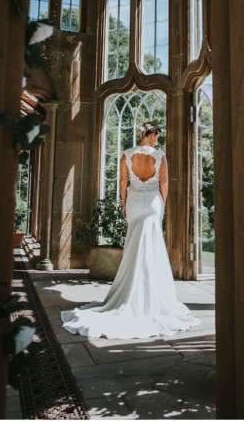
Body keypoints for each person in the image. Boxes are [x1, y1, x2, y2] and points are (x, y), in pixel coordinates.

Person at [61, 121, 200, 339]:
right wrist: (162, 204)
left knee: (135, 242)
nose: (158, 139)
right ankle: (152, 298)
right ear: (151, 133)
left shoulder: (126, 154)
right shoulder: (160, 155)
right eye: (157, 135)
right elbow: (164, 183)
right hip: (153, 200)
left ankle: (128, 291)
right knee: (152, 244)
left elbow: (124, 181)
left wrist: (125, 203)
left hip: (134, 200)